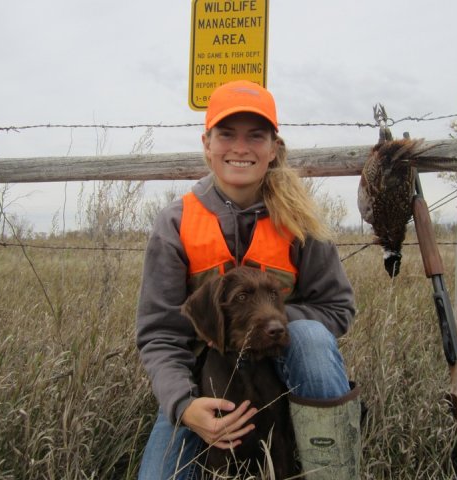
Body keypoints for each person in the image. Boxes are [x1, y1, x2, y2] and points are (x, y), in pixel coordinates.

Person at [136, 80, 362, 479]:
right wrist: (185, 406)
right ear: (207, 144)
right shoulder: (176, 223)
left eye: (255, 136)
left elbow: (337, 308)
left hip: (283, 366)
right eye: (227, 134)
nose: (240, 148)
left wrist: (270, 323)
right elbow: (160, 335)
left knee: (309, 336)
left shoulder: (300, 220)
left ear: (273, 147)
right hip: (204, 382)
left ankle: (333, 467)